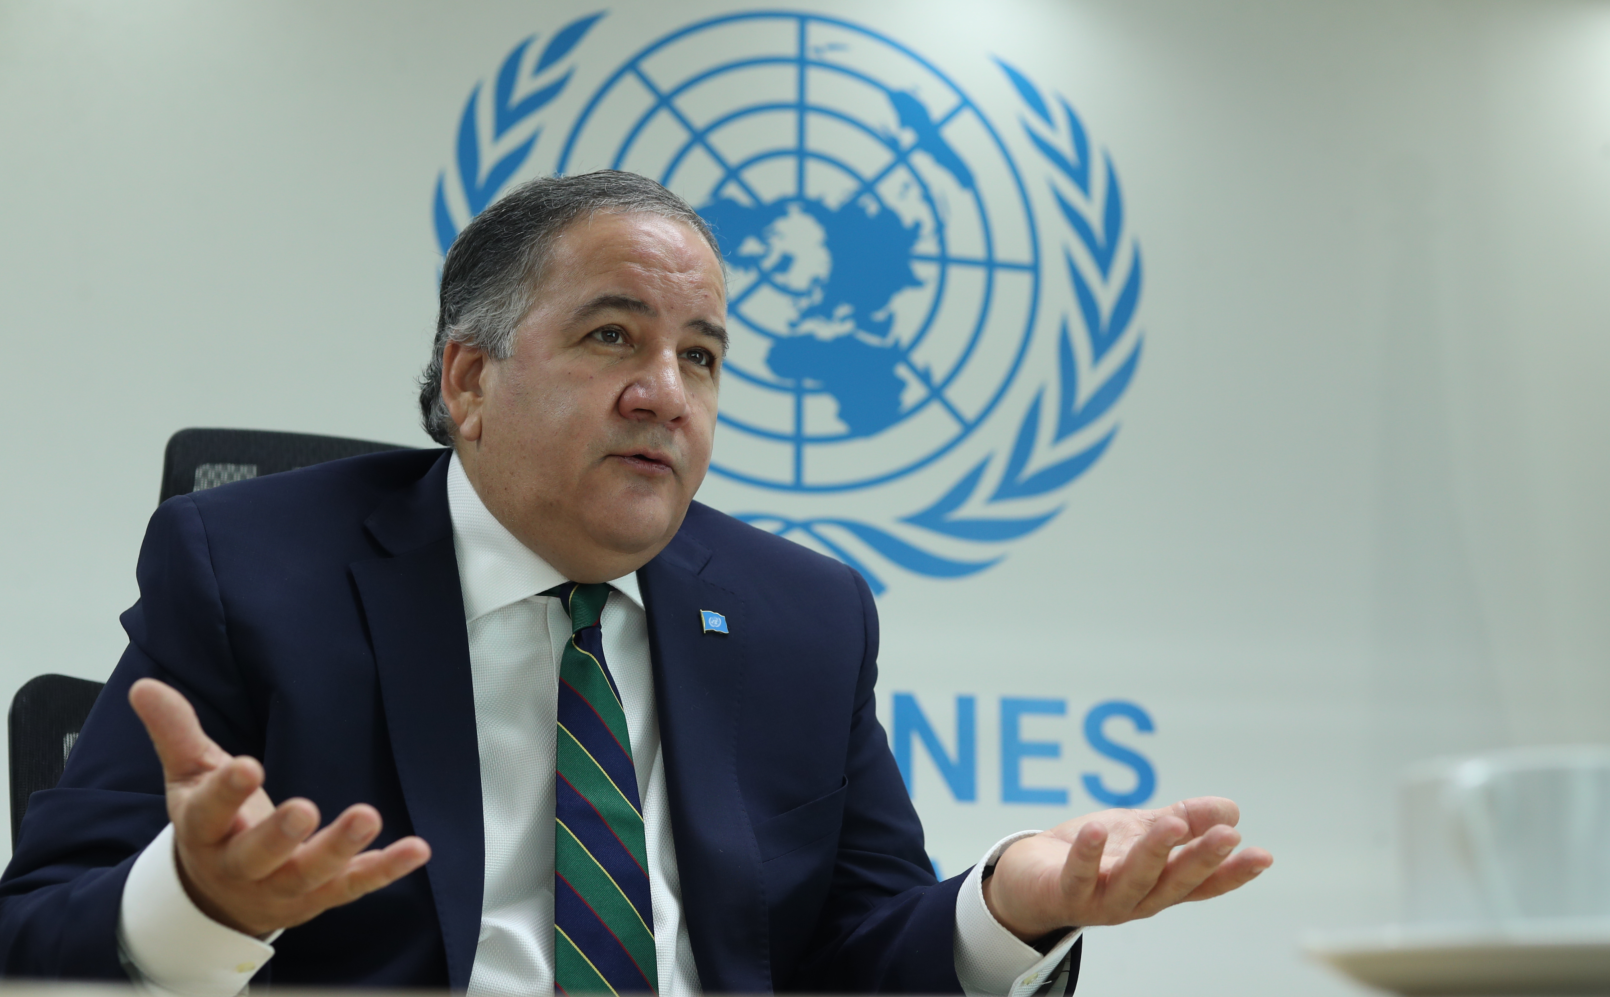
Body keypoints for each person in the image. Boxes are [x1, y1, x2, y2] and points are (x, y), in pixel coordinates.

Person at [0, 171, 1271, 994]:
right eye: (612, 335)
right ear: (469, 381)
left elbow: (851, 953)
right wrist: (205, 901)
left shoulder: (800, 615)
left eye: (701, 356)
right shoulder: (250, 567)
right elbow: (40, 924)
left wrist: (1005, 906)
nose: (665, 392)